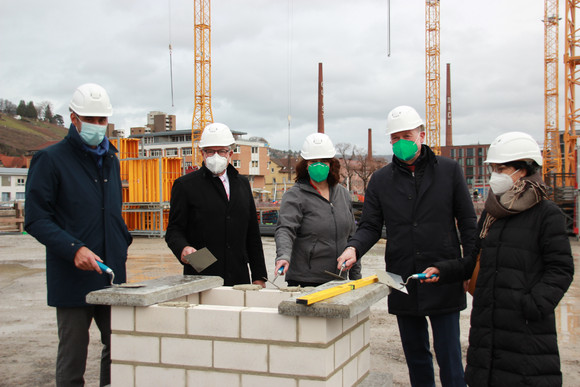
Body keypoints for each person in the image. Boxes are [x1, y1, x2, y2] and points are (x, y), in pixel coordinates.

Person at [337, 105, 477, 387]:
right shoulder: (381, 180)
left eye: (407, 135)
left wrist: (468, 268)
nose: (401, 142)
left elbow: (468, 221)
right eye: (395, 137)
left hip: (444, 273)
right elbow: (370, 227)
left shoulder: (449, 171)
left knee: (449, 354)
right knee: (415, 355)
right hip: (403, 277)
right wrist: (353, 248)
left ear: (421, 135)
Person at [423, 131, 574, 386]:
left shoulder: (547, 214)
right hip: (487, 328)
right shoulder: (493, 213)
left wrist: (532, 305)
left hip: (525, 332)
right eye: (494, 168)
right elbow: (474, 260)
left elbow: (560, 269)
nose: (495, 175)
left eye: (502, 169)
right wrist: (442, 270)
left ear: (523, 169)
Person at [25, 83, 132, 386]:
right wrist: (73, 249)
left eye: (102, 121)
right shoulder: (51, 160)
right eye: (91, 120)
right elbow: (36, 219)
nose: (98, 126)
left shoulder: (111, 159)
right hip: (73, 275)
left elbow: (111, 211)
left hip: (111, 274)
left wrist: (122, 241)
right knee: (73, 357)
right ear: (73, 118)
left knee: (119, 349)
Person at [165, 123, 267, 287]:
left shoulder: (242, 184)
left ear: (230, 153)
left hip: (238, 277)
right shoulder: (185, 186)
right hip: (201, 277)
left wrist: (259, 276)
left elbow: (252, 234)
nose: (215, 156)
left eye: (221, 151)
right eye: (210, 151)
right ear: (202, 153)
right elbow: (174, 230)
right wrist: (183, 249)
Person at [274, 133, 361, 287]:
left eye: (323, 161)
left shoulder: (343, 194)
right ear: (305, 165)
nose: (318, 165)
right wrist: (283, 256)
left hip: (338, 279)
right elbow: (285, 229)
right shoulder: (295, 195)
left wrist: (355, 276)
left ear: (331, 164)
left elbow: (352, 237)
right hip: (305, 280)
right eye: (313, 161)